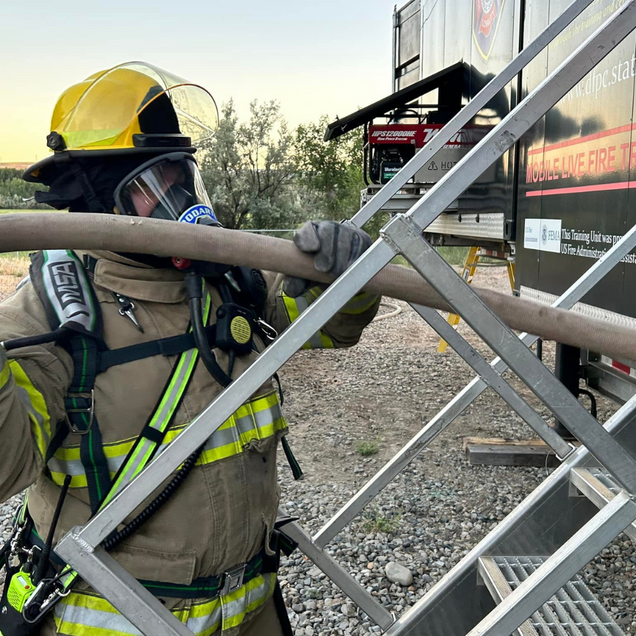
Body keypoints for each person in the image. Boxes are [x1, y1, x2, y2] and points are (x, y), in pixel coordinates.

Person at [0, 62, 379, 636]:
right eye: (153, 188)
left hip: (250, 613)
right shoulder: (51, 318)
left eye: (182, 178)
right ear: (101, 203)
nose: (180, 203)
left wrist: (351, 276)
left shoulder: (231, 280)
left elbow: (334, 327)